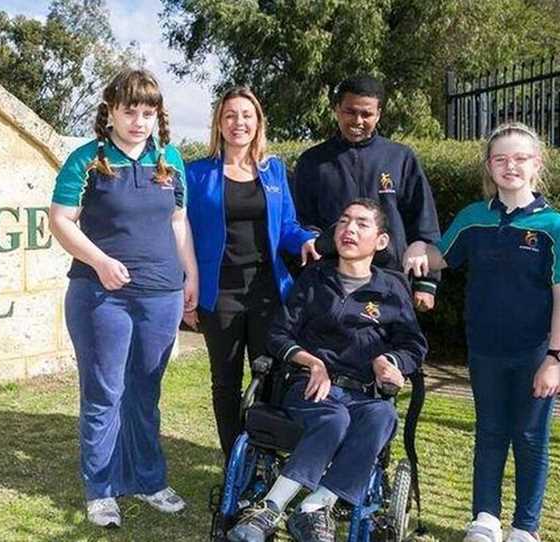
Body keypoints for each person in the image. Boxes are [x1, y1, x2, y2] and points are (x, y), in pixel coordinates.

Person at [48, 68, 198, 529]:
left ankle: (149, 480)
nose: (138, 120)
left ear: (157, 116)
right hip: (100, 296)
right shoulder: (86, 160)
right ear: (110, 111)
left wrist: (189, 275)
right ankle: (102, 489)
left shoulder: (170, 159)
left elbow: (178, 222)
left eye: (147, 112)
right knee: (104, 393)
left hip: (162, 295)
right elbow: (60, 221)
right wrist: (99, 262)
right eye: (129, 110)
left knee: (145, 391)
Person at [228, 199, 427, 542]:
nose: (349, 229)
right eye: (344, 221)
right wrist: (311, 362)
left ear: (381, 241)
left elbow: (413, 344)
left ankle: (313, 509)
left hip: (363, 392)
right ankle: (270, 509)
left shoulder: (392, 288)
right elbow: (278, 333)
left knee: (382, 416)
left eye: (362, 224)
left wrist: (390, 362)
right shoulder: (314, 278)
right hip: (310, 387)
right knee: (334, 418)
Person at [403, 122, 559, 542]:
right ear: (489, 166)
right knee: (489, 432)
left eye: (520, 158)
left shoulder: (553, 225)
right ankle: (485, 520)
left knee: (529, 438)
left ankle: (525, 527)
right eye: (501, 158)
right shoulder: (473, 218)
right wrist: (419, 247)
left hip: (536, 352)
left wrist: (555, 358)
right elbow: (440, 257)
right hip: (485, 350)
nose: (511, 166)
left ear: (536, 164)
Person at [184, 86, 319, 459]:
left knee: (271, 377)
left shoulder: (273, 170)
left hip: (267, 293)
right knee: (225, 384)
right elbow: (183, 233)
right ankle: (234, 461)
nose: (238, 122)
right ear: (219, 123)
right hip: (219, 294)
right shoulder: (195, 174)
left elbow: (288, 225)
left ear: (258, 122)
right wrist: (186, 288)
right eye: (230, 115)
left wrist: (306, 240)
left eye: (246, 115)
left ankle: (264, 456)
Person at [293, 75, 441, 312]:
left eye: (367, 114)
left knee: (391, 348)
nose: (358, 120)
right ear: (337, 111)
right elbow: (301, 222)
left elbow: (423, 222)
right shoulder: (313, 161)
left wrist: (427, 282)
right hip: (331, 285)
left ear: (378, 114)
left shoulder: (400, 158)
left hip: (391, 281)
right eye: (350, 112)